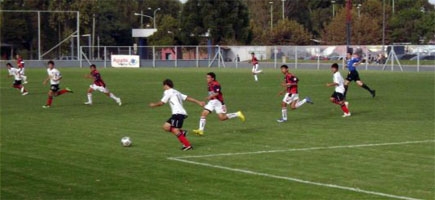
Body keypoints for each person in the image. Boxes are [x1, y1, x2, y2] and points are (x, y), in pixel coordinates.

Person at [149, 79, 205, 151]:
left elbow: (162, 103)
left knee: (175, 130)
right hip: (179, 113)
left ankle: (188, 145)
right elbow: (187, 98)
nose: (163, 87)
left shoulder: (168, 92)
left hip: (178, 113)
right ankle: (182, 132)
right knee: (165, 127)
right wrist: (199, 102)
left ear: (166, 85)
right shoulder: (176, 92)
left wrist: (154, 105)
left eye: (163, 85)